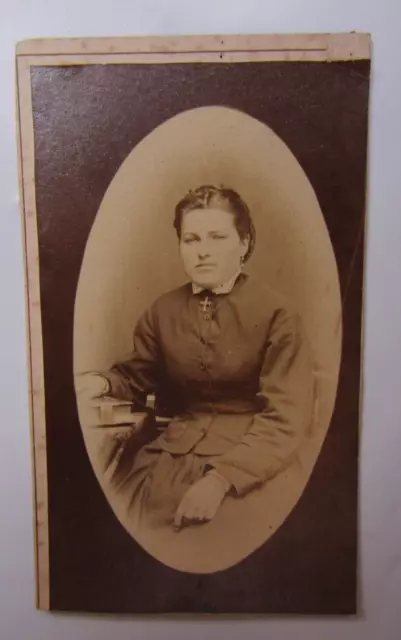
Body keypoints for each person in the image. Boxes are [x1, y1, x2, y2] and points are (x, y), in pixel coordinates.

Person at [76, 185, 314, 533]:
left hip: (252, 464)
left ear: (244, 244)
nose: (203, 252)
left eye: (217, 237)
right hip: (170, 457)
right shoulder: (162, 311)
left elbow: (287, 420)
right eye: (191, 240)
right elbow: (136, 375)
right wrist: (99, 383)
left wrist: (220, 480)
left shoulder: (279, 315)